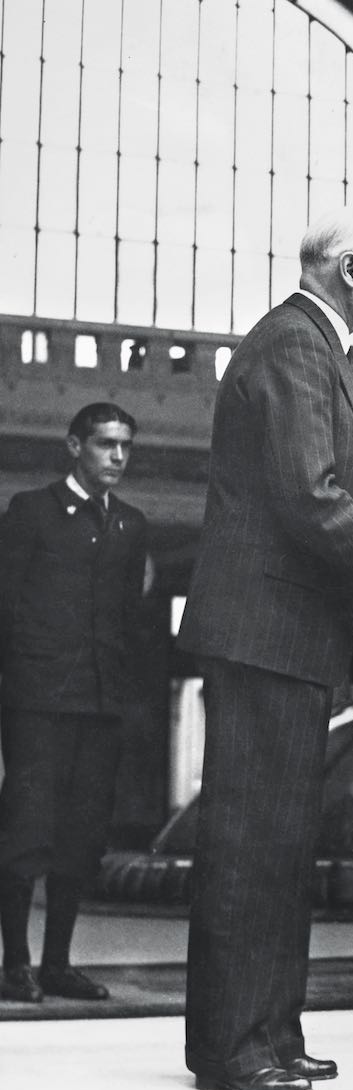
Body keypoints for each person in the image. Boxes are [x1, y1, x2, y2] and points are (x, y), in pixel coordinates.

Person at [177, 208, 353, 1090]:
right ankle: (232, 1047)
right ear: (347, 268)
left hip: (280, 636)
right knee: (252, 842)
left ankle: (271, 1032)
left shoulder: (304, 345)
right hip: (266, 635)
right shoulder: (293, 346)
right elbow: (310, 497)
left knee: (280, 845)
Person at [0, 403, 147, 1003]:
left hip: (100, 705)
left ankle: (58, 964)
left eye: (125, 446)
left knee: (81, 838)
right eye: (105, 443)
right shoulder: (31, 512)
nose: (117, 456)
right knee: (26, 832)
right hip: (37, 703)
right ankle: (15, 965)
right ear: (73, 446)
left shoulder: (130, 525)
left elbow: (128, 624)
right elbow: (6, 609)